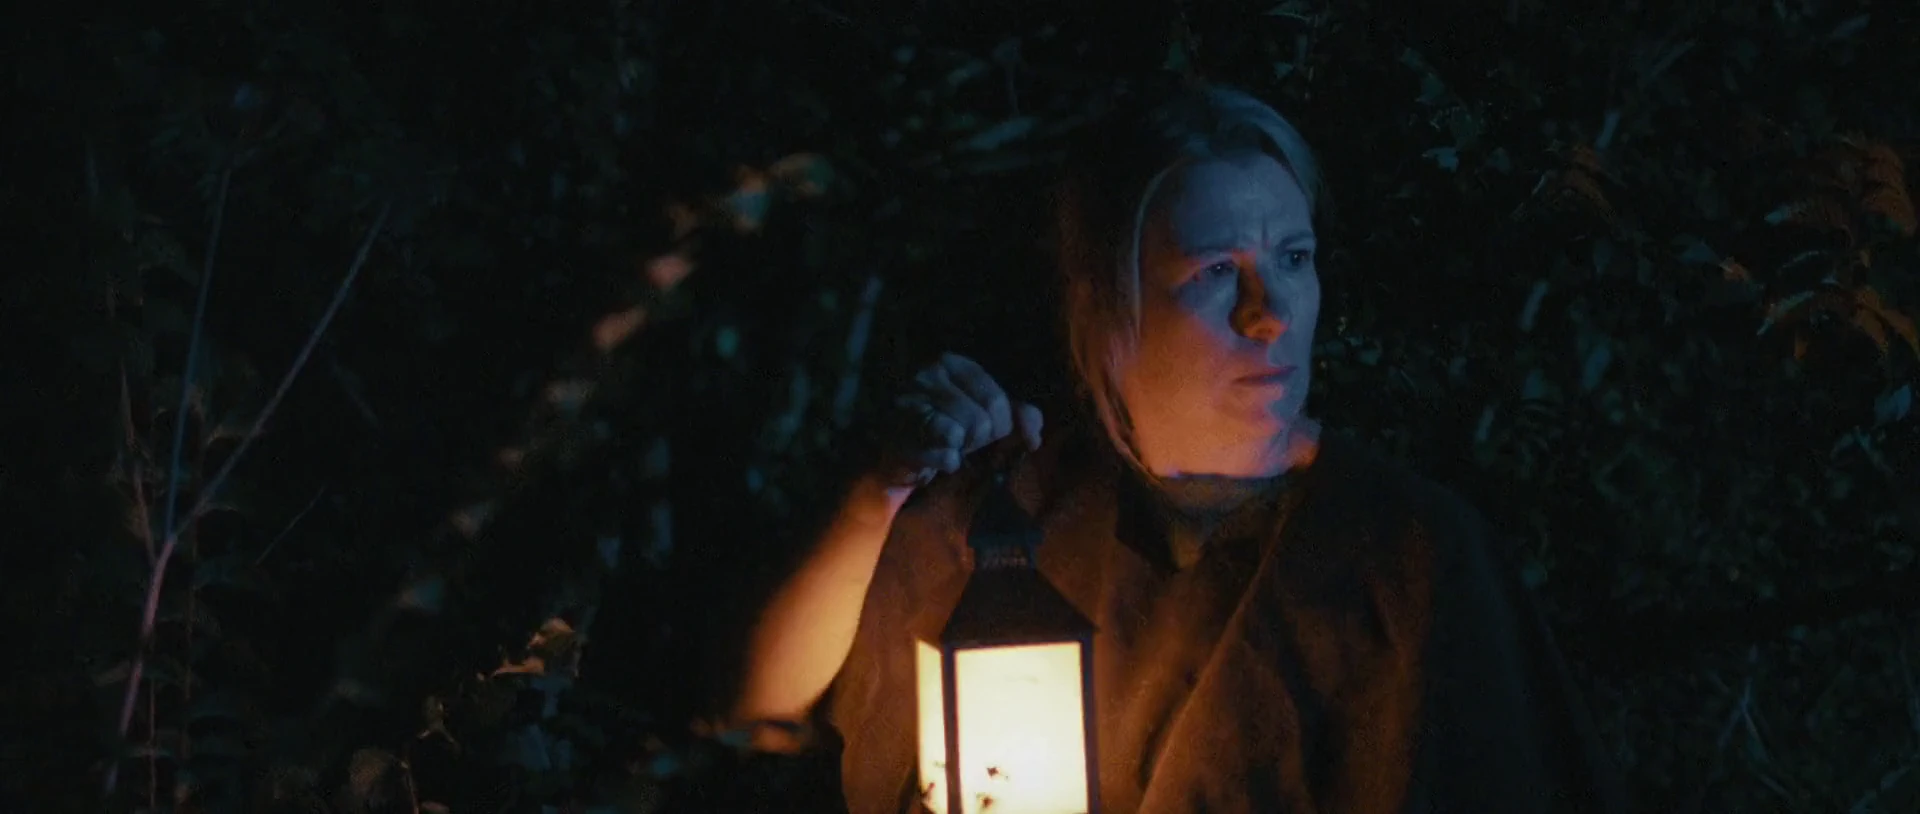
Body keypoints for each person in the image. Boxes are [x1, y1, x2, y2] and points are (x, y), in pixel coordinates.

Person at [730, 80, 1629, 813]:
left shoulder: (1410, 551)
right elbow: (757, 711)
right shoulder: (1011, 514)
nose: (1270, 314)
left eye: (1295, 258)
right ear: (1108, 300)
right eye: (1215, 272)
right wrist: (878, 494)